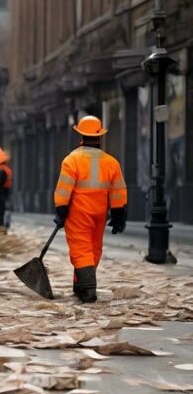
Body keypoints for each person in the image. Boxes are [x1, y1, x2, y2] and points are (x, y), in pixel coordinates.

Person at [54, 115, 127, 303]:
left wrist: (61, 210)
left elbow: (63, 189)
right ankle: (79, 285)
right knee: (94, 249)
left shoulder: (72, 160)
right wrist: (119, 214)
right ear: (99, 136)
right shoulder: (111, 162)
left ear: (81, 135)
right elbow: (118, 191)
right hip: (99, 214)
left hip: (78, 214)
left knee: (81, 250)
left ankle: (87, 290)